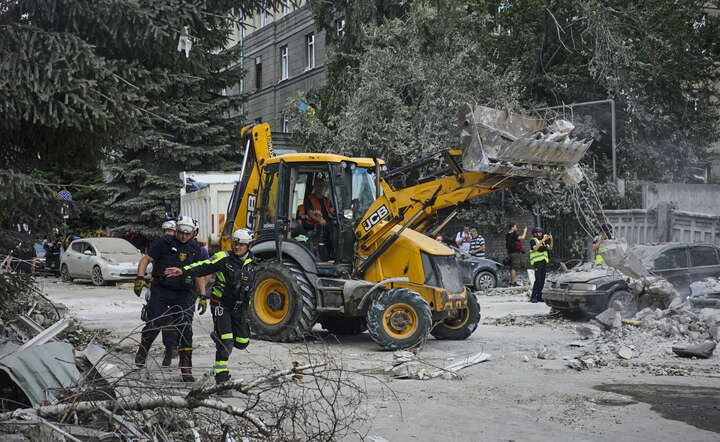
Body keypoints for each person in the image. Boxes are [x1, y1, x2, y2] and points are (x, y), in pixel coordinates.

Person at [164, 228, 256, 386]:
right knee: (226, 341)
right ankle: (221, 377)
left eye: (241, 244)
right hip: (221, 304)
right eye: (235, 243)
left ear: (249, 246)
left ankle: (218, 335)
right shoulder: (223, 258)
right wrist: (183, 270)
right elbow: (203, 266)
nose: (237, 247)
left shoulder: (252, 262)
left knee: (242, 342)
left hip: (239, 307)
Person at [133, 216, 207, 382]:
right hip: (161, 290)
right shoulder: (164, 243)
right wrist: (139, 278)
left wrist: (202, 296)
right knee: (153, 324)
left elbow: (199, 275)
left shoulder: (197, 249)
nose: (183, 236)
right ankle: (142, 351)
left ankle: (186, 368)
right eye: (181, 232)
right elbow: (146, 259)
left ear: (194, 233)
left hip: (184, 294)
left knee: (185, 329)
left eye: (187, 234)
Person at [529, 226, 553, 303]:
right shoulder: (533, 240)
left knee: (542, 280)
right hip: (537, 263)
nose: (540, 234)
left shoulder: (543, 242)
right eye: (538, 232)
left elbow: (550, 248)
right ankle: (533, 297)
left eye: (541, 232)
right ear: (534, 233)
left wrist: (551, 239)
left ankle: (539, 296)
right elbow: (535, 248)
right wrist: (543, 239)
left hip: (544, 262)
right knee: (538, 280)